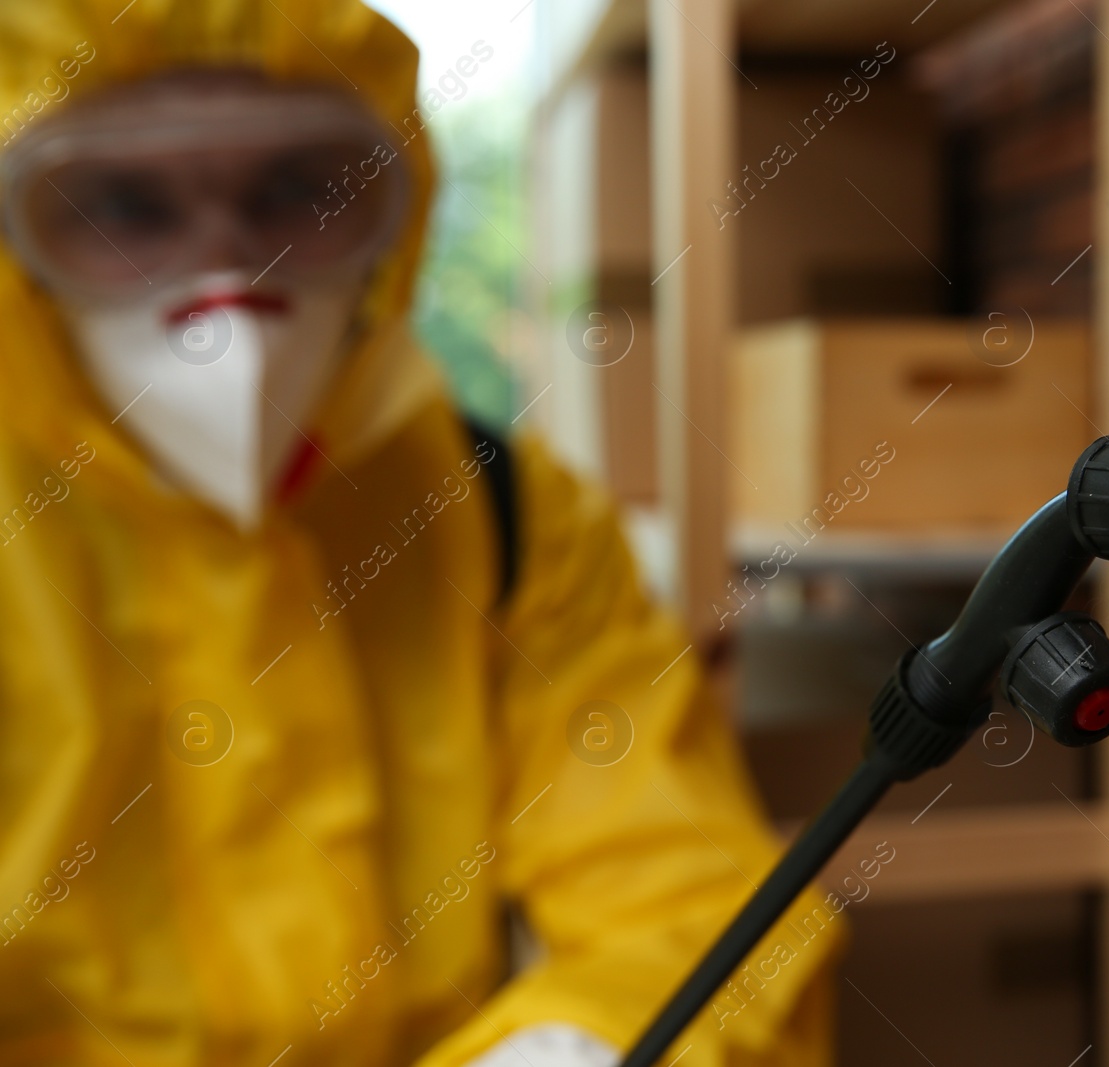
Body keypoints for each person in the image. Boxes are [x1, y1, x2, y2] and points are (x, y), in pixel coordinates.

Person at [0, 2, 841, 1064]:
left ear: (391, 221)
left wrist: (572, 1042)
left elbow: (684, 897)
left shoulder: (509, 512)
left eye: (295, 191)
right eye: (121, 204)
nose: (225, 273)